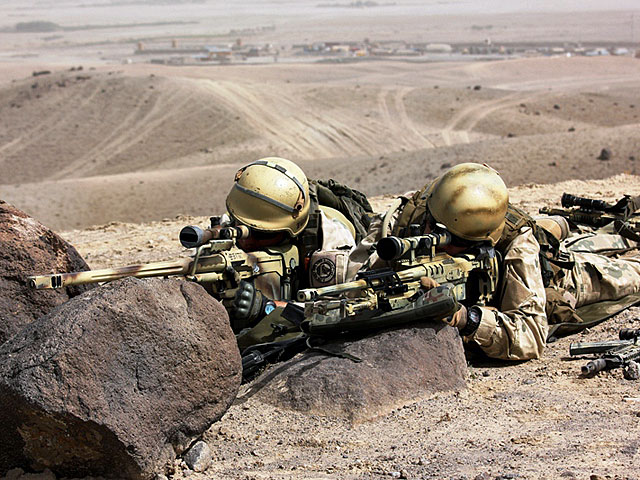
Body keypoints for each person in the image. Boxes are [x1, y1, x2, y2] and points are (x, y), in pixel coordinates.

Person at [350, 162, 640, 361]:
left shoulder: (518, 243)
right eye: (434, 230)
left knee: (628, 272)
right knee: (585, 238)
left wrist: (465, 318)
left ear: (484, 240)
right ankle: (569, 228)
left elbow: (530, 336)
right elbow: (354, 283)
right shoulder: (404, 215)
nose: (443, 246)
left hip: (557, 274)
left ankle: (605, 234)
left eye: (457, 242)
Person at [222, 156, 372, 334]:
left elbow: (343, 312)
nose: (246, 241)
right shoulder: (247, 212)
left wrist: (268, 308)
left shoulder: (332, 243)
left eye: (261, 234)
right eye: (240, 227)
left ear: (292, 230)